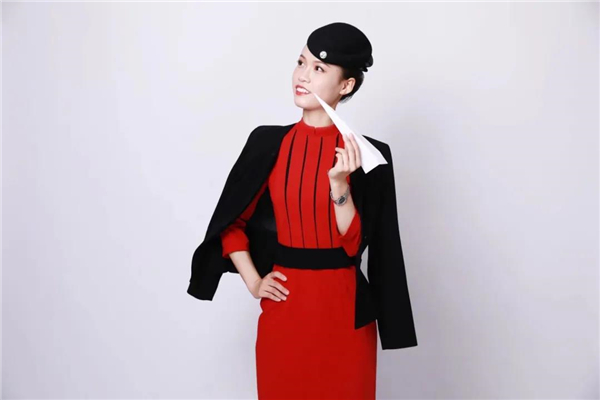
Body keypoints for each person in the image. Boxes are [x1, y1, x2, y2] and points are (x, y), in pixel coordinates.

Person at [188, 22, 417, 399]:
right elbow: (232, 223)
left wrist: (339, 185)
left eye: (318, 69)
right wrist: (254, 282)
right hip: (285, 313)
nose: (302, 76)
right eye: (300, 63)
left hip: (345, 316)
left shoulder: (370, 156)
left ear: (346, 85)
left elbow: (355, 246)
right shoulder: (266, 142)